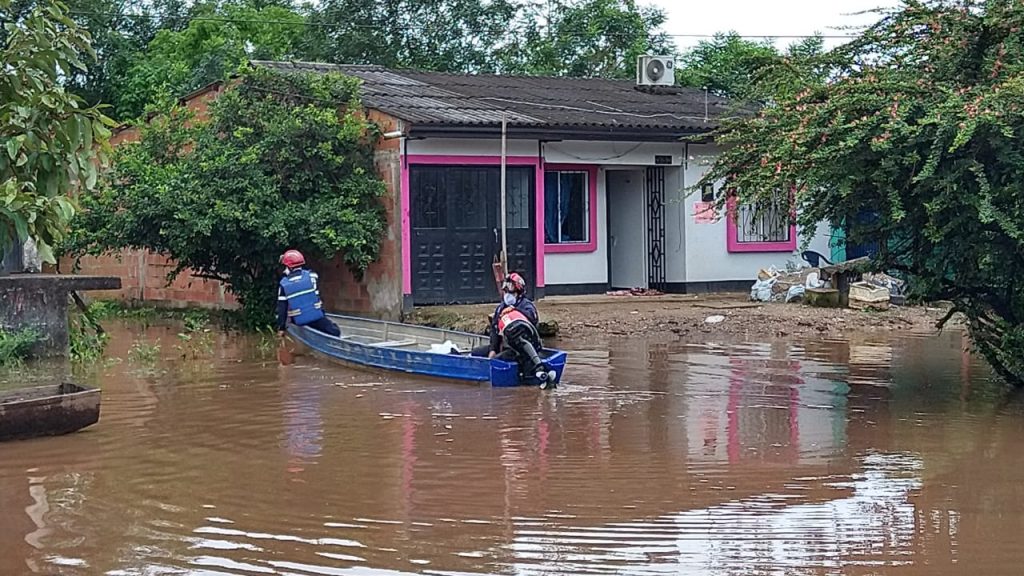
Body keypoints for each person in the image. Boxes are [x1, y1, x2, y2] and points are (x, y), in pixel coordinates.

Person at [472, 273, 556, 387]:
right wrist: (493, 349)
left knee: (497, 360)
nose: (507, 295)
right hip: (504, 346)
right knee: (476, 353)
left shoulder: (527, 306)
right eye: (505, 292)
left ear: (519, 292)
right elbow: (495, 330)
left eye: (510, 292)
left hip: (519, 350)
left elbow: (532, 319)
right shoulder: (501, 308)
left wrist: (515, 312)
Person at [276, 249, 341, 337]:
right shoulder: (312, 277)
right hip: (316, 317)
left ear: (289, 267)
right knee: (335, 331)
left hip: (298, 321)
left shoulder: (283, 285)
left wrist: (281, 328)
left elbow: (282, 309)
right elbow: (316, 298)